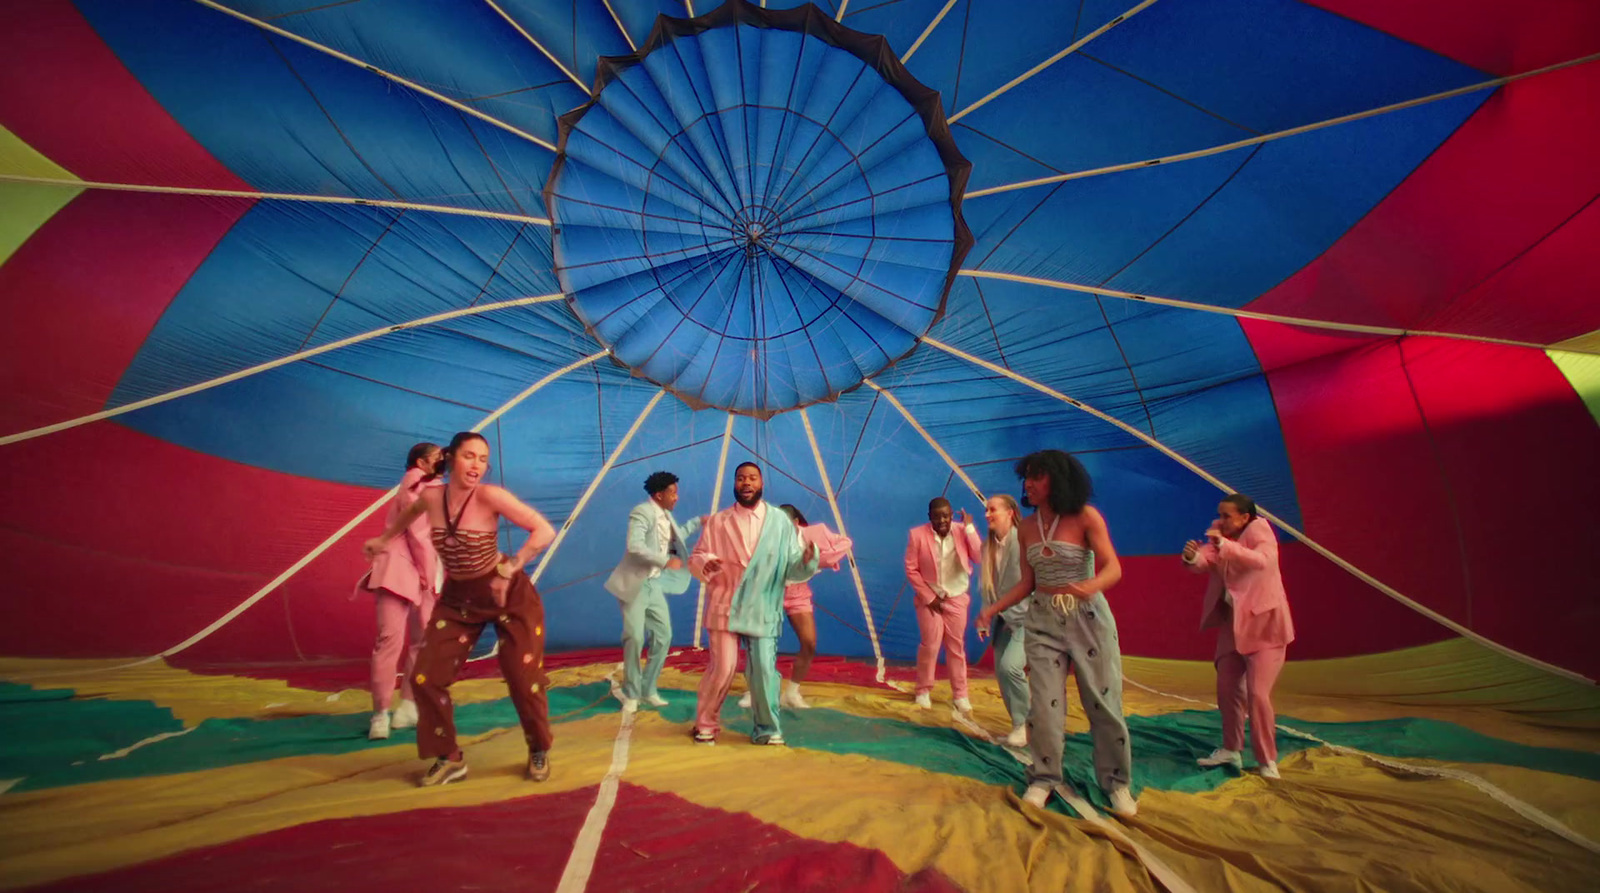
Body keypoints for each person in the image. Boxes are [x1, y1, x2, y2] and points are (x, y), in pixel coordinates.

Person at [362, 431, 557, 787]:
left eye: (483, 459)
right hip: (459, 598)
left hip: (508, 596)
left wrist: (511, 567)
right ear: (451, 459)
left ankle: (539, 748)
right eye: (469, 456)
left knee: (522, 678)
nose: (476, 465)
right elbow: (407, 516)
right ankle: (449, 758)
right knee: (425, 678)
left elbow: (543, 531)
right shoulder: (431, 497)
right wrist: (384, 540)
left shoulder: (490, 496)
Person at [976, 450, 1136, 818]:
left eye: (1038, 476)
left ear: (1058, 480)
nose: (1028, 484)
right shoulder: (1027, 528)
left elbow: (1113, 568)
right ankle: (1044, 777)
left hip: (1088, 618)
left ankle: (1117, 783)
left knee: (1103, 701)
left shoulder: (1085, 517)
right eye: (1027, 476)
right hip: (1044, 620)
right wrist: (992, 608)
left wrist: (1087, 587)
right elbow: (1028, 583)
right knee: (1045, 705)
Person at [688, 462, 818, 745]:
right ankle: (705, 723)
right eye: (741, 478)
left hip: (763, 606)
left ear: (761, 484)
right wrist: (704, 564)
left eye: (752, 478)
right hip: (725, 603)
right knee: (723, 667)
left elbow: (792, 567)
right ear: (734, 484)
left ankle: (767, 729)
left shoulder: (780, 522)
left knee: (762, 670)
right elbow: (696, 556)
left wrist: (807, 561)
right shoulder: (719, 521)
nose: (746, 483)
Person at [1183, 493, 1295, 779]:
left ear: (1245, 517)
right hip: (1233, 628)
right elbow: (1206, 560)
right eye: (1219, 514)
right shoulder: (1219, 533)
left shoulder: (1261, 530)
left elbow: (1263, 561)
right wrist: (1192, 557)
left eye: (1226, 515)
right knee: (1227, 689)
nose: (1220, 521)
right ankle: (1231, 749)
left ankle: (1267, 759)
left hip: (1266, 626)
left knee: (1258, 695)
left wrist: (1226, 546)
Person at [359, 442, 441, 740]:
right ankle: (381, 712)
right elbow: (417, 532)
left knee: (424, 639)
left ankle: (407, 706)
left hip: (424, 569)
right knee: (390, 639)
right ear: (421, 462)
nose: (441, 463)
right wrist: (426, 574)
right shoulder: (414, 481)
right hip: (401, 568)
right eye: (436, 459)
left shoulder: (434, 485)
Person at [604, 471, 704, 713]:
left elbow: (678, 536)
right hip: (636, 583)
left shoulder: (666, 516)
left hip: (653, 585)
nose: (676, 497)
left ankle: (648, 688)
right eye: (673, 492)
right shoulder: (642, 512)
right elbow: (635, 546)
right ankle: (631, 692)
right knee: (635, 637)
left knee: (663, 636)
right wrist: (664, 561)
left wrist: (700, 521)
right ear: (659, 495)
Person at [904, 497, 981, 712]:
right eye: (937, 516)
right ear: (929, 517)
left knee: (956, 648)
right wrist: (930, 598)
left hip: (956, 597)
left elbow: (979, 555)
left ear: (951, 514)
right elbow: (911, 569)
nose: (942, 520)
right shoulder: (917, 535)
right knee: (930, 645)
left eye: (946, 515)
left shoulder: (961, 531)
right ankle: (923, 690)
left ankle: (960, 694)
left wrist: (970, 528)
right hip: (929, 599)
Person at [774, 504, 852, 709]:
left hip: (797, 592)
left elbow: (845, 542)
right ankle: (755, 690)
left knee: (809, 642)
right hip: (770, 592)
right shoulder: (767, 538)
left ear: (796, 523)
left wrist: (819, 558)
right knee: (761, 644)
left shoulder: (814, 533)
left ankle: (791, 692)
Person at [979, 493, 1029, 747]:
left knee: (1011, 666)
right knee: (1001, 672)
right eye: (986, 510)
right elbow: (987, 587)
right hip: (1002, 620)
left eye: (993, 509)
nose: (987, 514)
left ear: (1010, 512)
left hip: (1028, 618)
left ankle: (1029, 724)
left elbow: (1032, 584)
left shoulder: (1023, 541)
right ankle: (1019, 725)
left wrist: (1015, 615)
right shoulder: (986, 546)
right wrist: (985, 617)